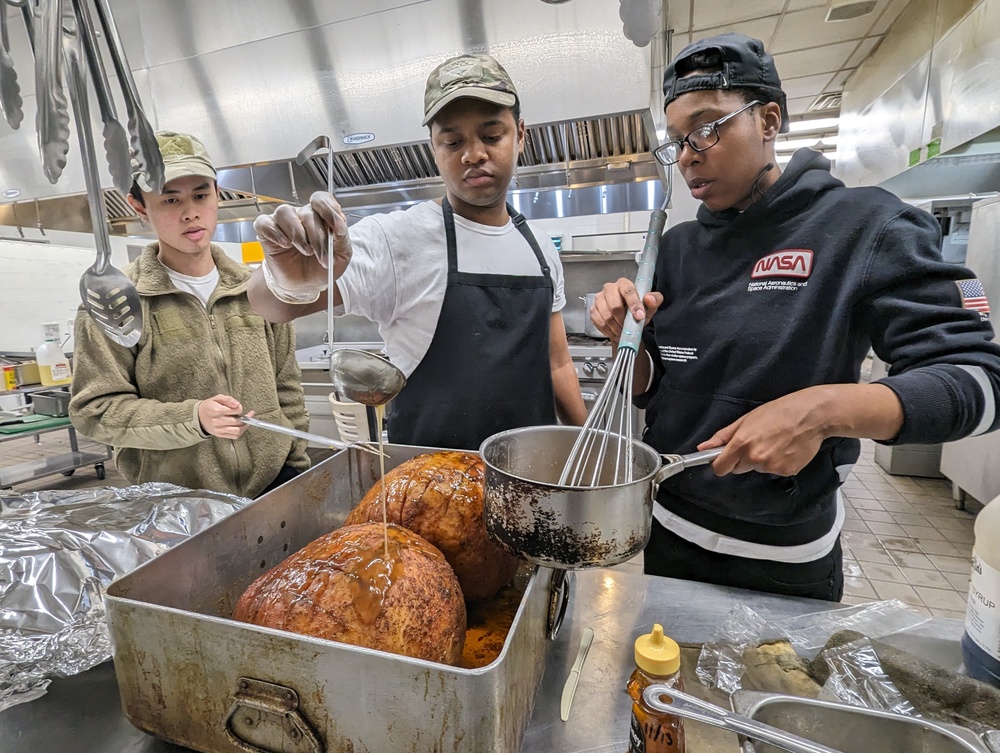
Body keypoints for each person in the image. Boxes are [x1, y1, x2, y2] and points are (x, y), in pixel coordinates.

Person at [590, 32, 1000, 601]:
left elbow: (980, 382)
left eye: (707, 127)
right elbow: (652, 385)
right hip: (670, 538)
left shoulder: (865, 227)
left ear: (769, 120)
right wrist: (623, 342)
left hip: (784, 562)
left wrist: (823, 411)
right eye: (679, 140)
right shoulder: (676, 250)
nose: (688, 154)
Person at [248, 53, 586, 451]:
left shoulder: (541, 249)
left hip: (530, 483)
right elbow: (268, 305)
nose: (473, 154)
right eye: (453, 140)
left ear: (521, 134)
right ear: (433, 148)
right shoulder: (397, 239)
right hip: (427, 489)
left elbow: (558, 363)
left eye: (492, 136)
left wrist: (591, 448)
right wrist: (290, 280)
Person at [70, 131, 310, 498]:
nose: (191, 212)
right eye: (170, 199)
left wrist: (295, 465)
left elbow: (286, 387)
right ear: (139, 206)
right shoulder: (116, 301)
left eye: (201, 194)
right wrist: (192, 418)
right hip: (177, 503)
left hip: (272, 485)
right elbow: (95, 409)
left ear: (217, 193)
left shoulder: (258, 288)